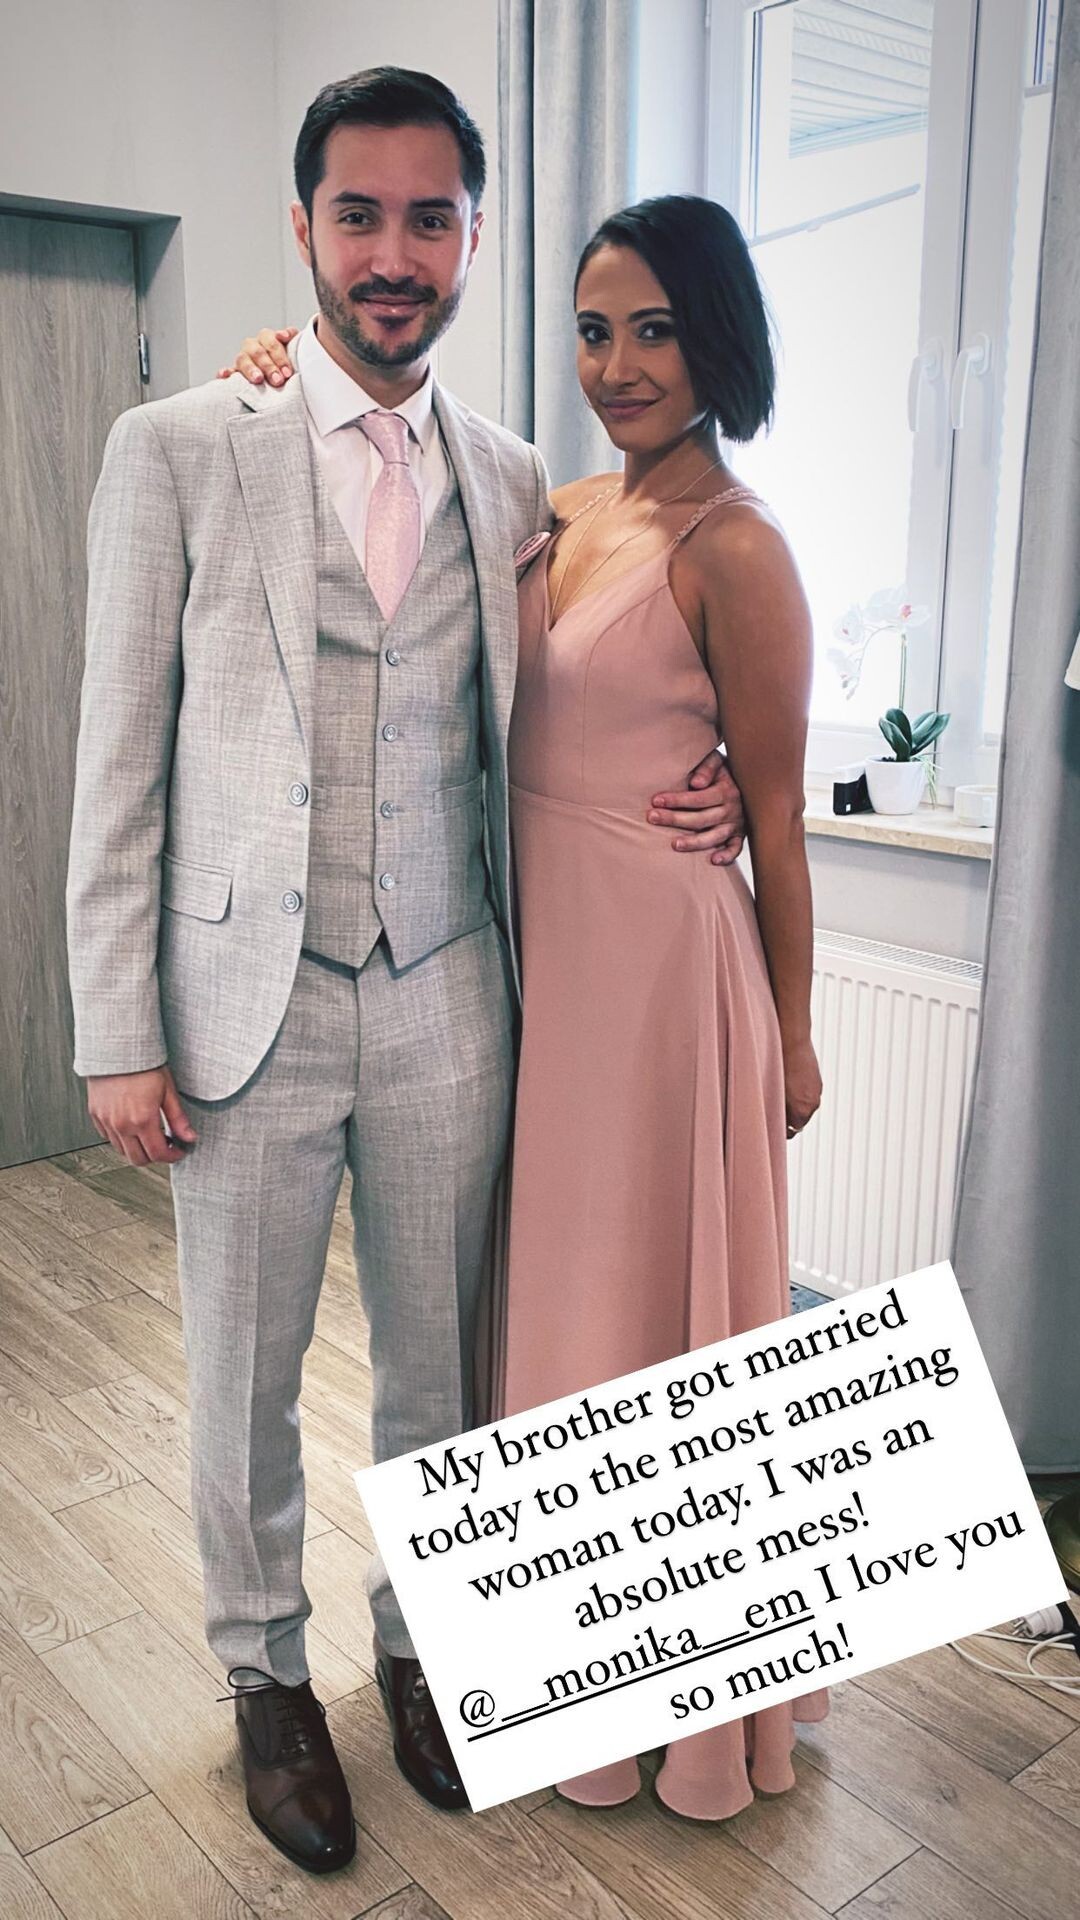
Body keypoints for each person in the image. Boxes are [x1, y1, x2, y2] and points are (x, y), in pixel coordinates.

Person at [66, 69, 743, 1875]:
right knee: (245, 1371)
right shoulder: (180, 446)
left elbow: (613, 680)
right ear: (302, 228)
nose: (392, 254)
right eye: (357, 215)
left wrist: (721, 789)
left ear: (470, 239)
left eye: (428, 219)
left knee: (446, 1371)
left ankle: (423, 1642)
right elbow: (119, 756)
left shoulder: (515, 477)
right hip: (247, 1002)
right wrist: (116, 1029)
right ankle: (264, 1672)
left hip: (452, 992)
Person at [229, 193, 827, 1820]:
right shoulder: (542, 506)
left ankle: (687, 1706)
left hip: (664, 988)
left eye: (655, 330)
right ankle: (552, 1666)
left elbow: (778, 823)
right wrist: (275, 370)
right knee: (552, 1321)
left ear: (718, 340)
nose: (618, 365)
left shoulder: (741, 547)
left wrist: (791, 1036)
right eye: (593, 330)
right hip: (530, 975)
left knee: (655, 1337)